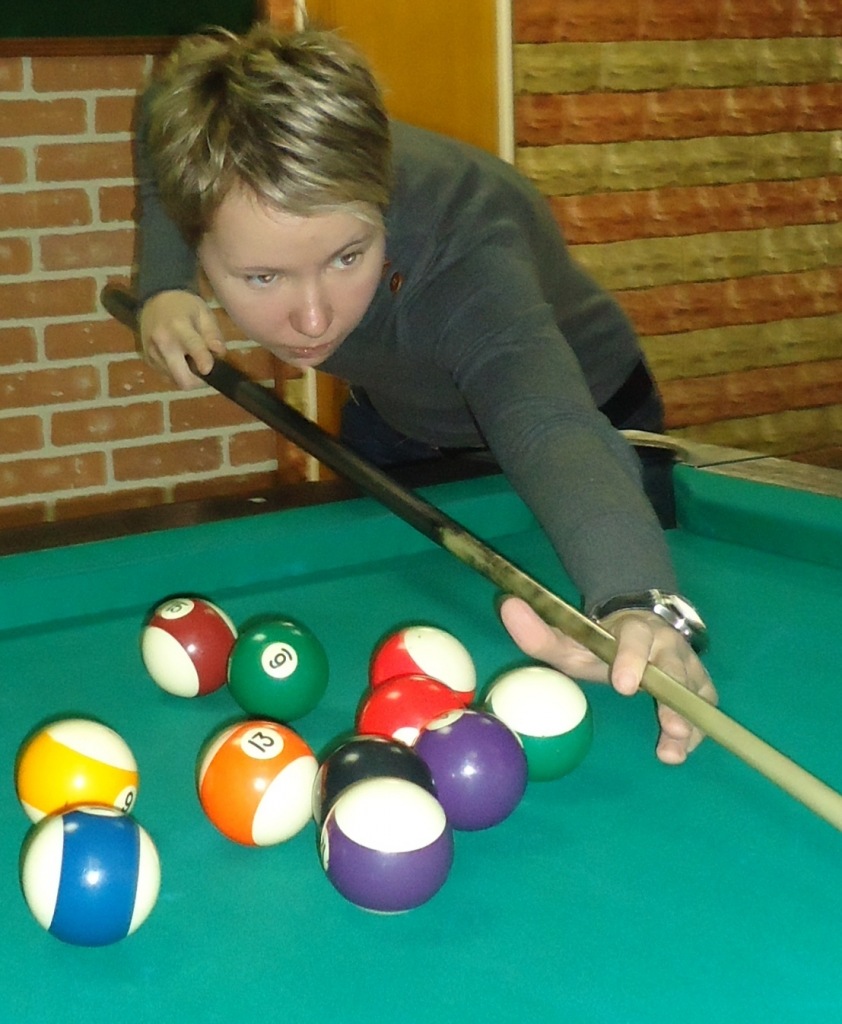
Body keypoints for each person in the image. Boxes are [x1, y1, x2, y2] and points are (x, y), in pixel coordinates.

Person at [133, 24, 717, 764]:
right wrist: (164, 284)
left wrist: (636, 599)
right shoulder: (202, 146)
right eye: (264, 277)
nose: (312, 321)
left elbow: (544, 421)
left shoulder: (464, 244)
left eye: (348, 257)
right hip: (398, 421)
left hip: (589, 419)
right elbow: (160, 118)